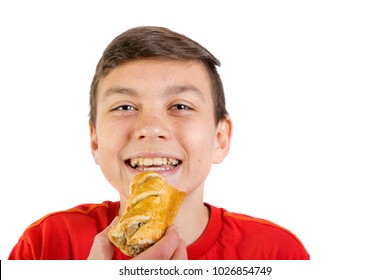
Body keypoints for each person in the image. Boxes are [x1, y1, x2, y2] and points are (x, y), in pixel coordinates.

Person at [8, 26, 309, 260]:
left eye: (180, 106)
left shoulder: (277, 253)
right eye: (125, 107)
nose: (150, 129)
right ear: (95, 141)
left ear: (220, 139)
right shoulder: (46, 245)